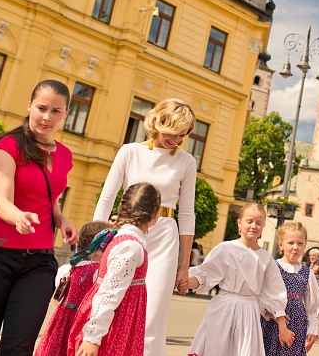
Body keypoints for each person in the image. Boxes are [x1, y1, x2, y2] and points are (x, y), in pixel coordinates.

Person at [0, 79, 79, 356]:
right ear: (29, 106)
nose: (47, 117)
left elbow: (51, 199)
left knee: (18, 348)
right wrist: (19, 217)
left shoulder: (65, 155)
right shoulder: (7, 146)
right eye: (41, 108)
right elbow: (2, 203)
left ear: (66, 114)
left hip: (38, 262)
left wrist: (61, 219)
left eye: (56, 111)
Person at [93, 98, 197, 356]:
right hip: (127, 231)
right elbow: (107, 199)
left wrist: (184, 267)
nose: (176, 141)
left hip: (164, 236)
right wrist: (95, 244)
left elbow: (186, 214)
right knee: (111, 301)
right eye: (172, 133)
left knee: (153, 313)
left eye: (182, 135)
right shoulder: (129, 151)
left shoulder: (186, 161)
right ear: (157, 122)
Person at [180, 203, 294, 355]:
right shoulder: (225, 249)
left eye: (259, 223)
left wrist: (282, 327)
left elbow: (274, 292)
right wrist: (185, 282)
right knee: (217, 348)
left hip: (248, 312)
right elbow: (206, 274)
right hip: (223, 309)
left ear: (263, 226)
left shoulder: (265, 258)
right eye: (249, 221)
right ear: (239, 223)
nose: (254, 225)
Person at [68, 182, 162, 356]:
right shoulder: (130, 246)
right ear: (156, 214)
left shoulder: (126, 239)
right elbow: (109, 292)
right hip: (114, 321)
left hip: (118, 318)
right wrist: (92, 338)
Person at [34, 221, 113, 356]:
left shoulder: (70, 268)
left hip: (62, 320)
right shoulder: (98, 271)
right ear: (100, 250)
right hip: (83, 322)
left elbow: (59, 292)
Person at [262, 221, 319, 355]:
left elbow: (313, 305)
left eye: (300, 243)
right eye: (291, 243)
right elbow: (263, 294)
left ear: (305, 245)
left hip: (297, 324)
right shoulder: (272, 267)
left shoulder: (307, 272)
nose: (295, 247)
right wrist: (271, 313)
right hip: (272, 321)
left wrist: (312, 328)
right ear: (281, 244)